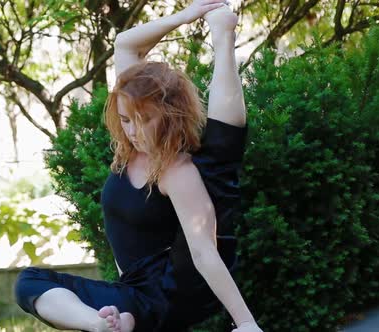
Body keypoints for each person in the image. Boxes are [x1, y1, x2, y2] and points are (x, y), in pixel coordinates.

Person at [15, 1, 264, 331]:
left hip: (179, 291)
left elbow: (204, 251)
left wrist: (246, 322)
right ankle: (105, 324)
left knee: (217, 168)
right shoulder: (128, 143)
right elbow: (125, 44)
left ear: (171, 115)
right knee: (28, 282)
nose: (132, 130)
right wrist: (187, 15)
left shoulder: (178, 170)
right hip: (135, 293)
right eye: (124, 120)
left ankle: (223, 37)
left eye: (143, 120)